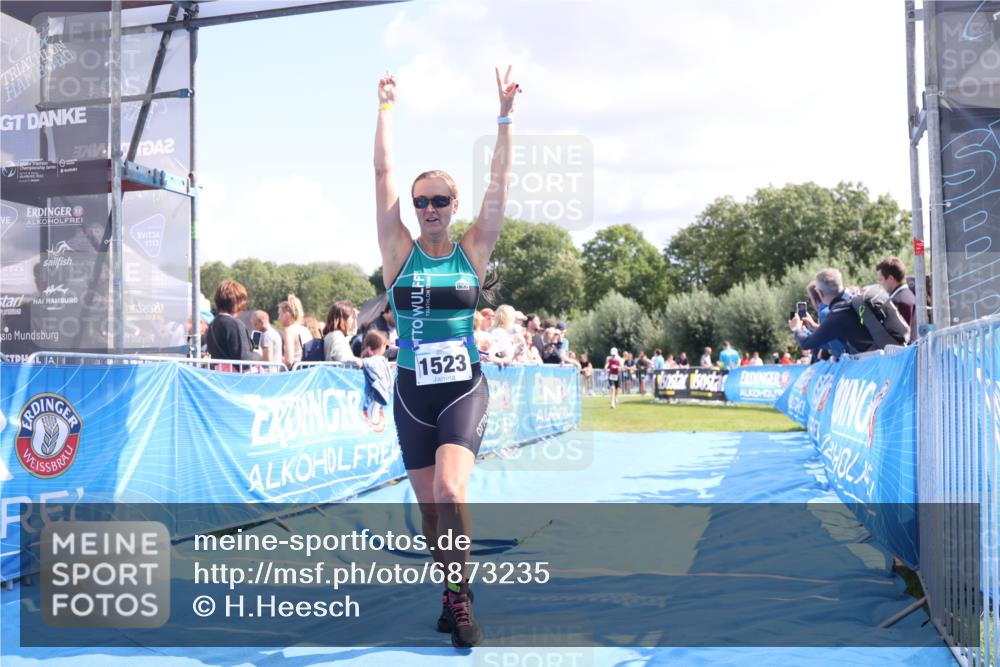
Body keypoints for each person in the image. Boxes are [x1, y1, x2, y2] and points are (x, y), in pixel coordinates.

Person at [374, 66, 519, 648]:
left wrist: (504, 117)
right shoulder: (397, 252)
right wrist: (384, 109)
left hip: (461, 389)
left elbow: (500, 185)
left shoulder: (472, 250)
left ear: (454, 205)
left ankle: (461, 604)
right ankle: (451, 588)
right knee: (431, 515)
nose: (430, 208)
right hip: (411, 392)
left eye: (439, 200)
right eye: (421, 202)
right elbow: (382, 172)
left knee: (450, 494)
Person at [790, 268, 875, 355]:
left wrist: (797, 329)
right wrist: (814, 326)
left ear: (821, 293)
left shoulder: (837, 315)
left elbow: (806, 343)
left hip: (869, 362)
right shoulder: (854, 299)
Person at [205, 280, 261, 365]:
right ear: (237, 302)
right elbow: (244, 361)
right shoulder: (234, 325)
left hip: (218, 375)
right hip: (234, 377)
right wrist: (257, 354)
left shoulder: (212, 324)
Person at [876, 257, 917, 336]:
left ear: (891, 278)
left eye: (881, 279)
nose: (880, 284)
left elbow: (900, 334)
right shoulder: (904, 295)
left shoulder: (900, 300)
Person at [323, 300, 363, 367]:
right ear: (344, 319)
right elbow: (343, 359)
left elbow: (352, 334)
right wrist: (362, 362)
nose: (351, 320)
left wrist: (355, 318)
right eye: (351, 318)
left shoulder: (332, 334)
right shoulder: (337, 336)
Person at [278, 294, 312, 369]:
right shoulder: (305, 330)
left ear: (287, 313)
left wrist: (277, 358)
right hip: (307, 371)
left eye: (280, 314)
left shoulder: (289, 331)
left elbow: (289, 361)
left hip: (295, 374)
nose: (279, 318)